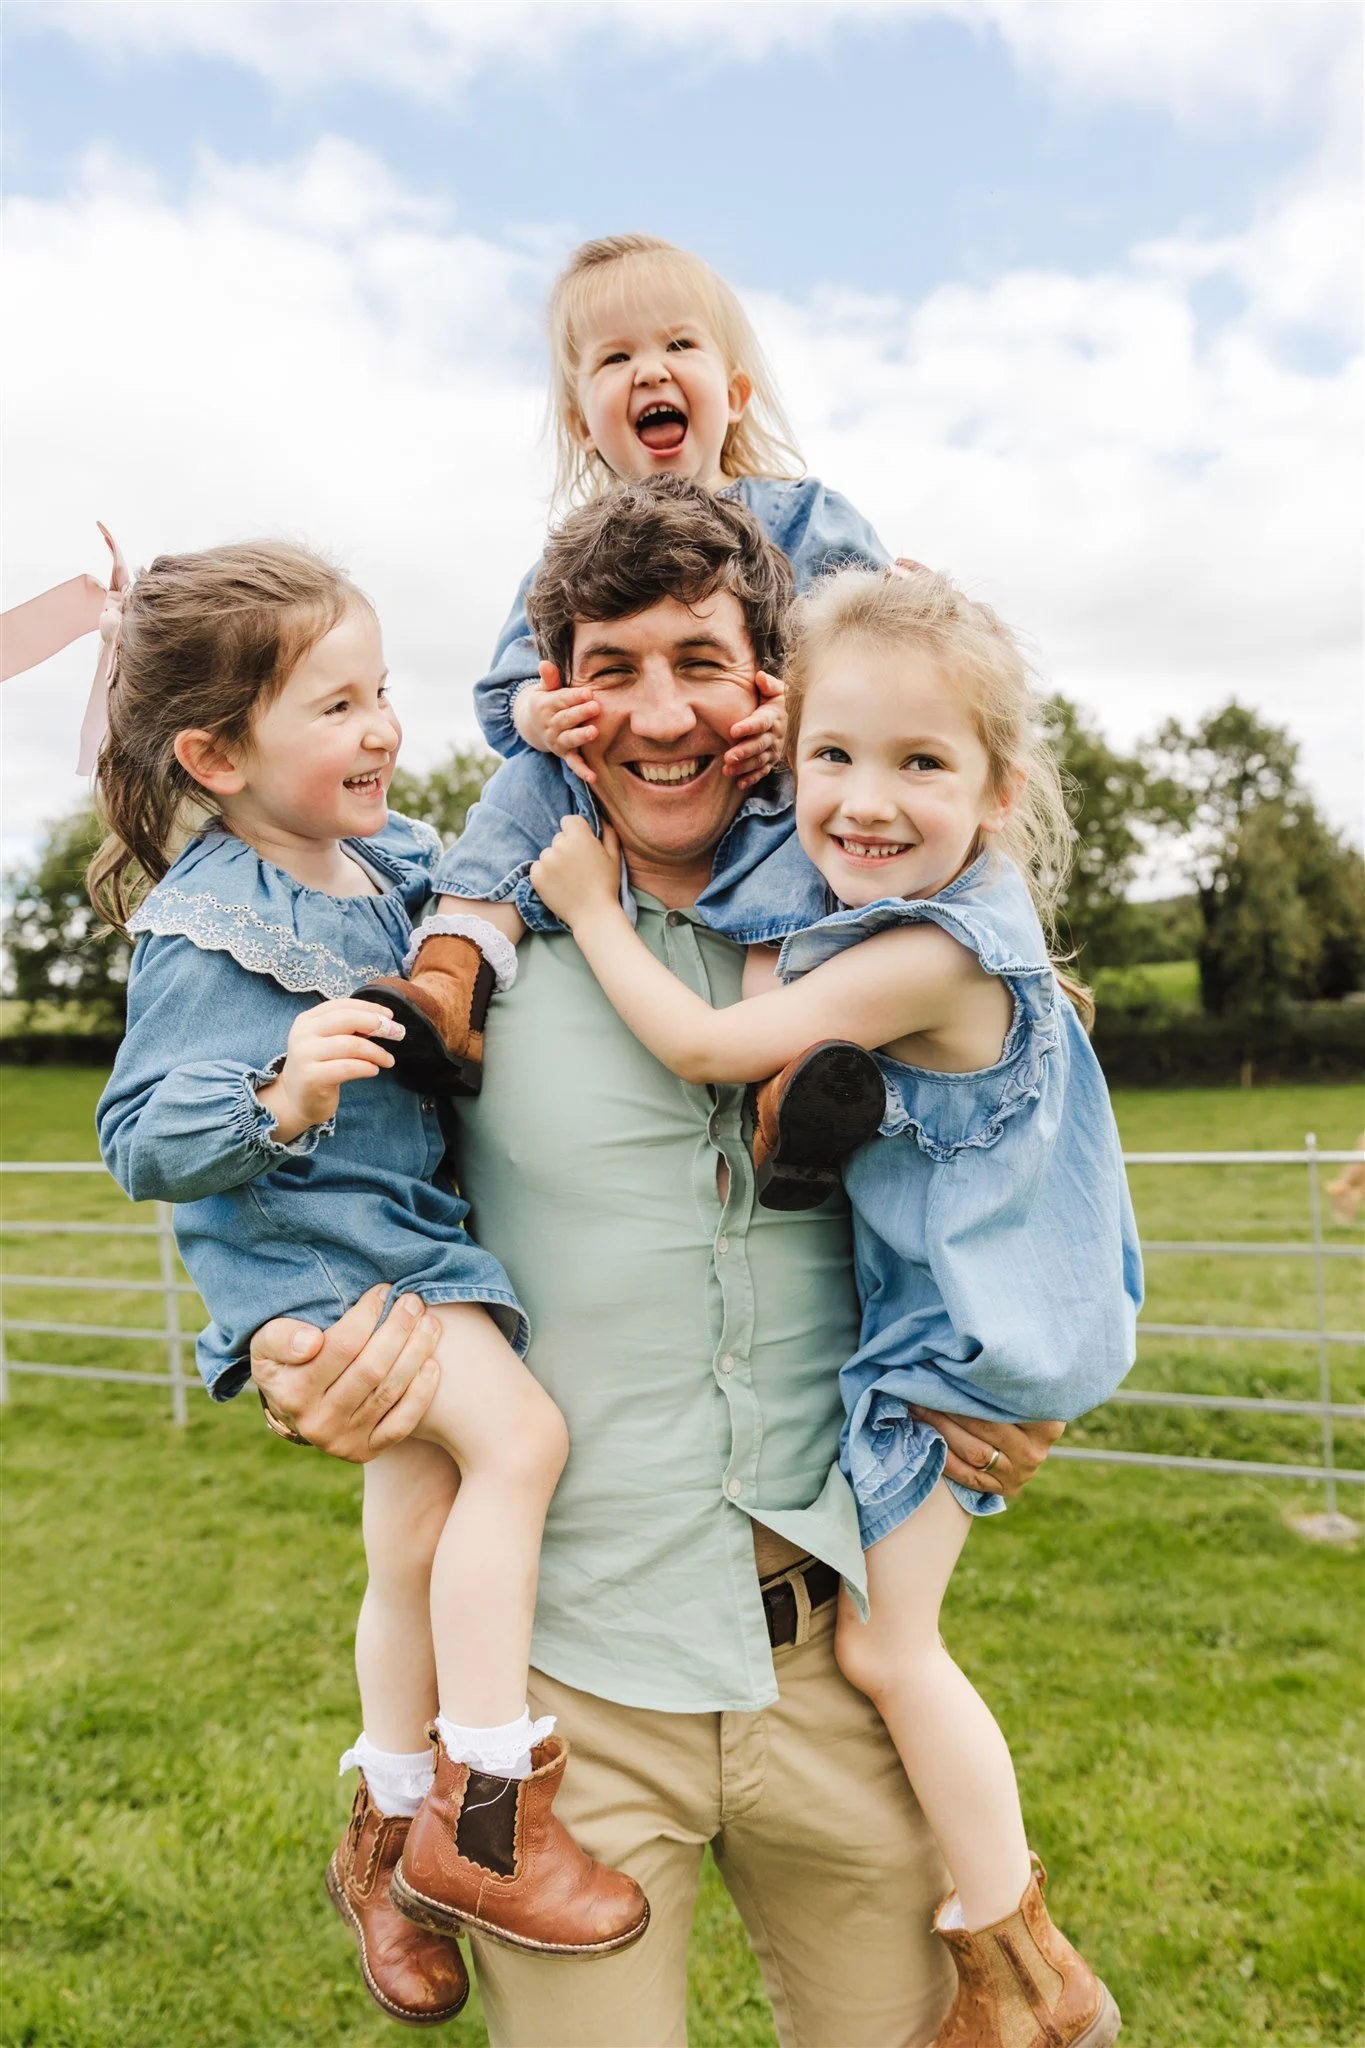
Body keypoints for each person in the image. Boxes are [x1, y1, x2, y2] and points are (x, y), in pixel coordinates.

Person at [252, 483, 1070, 2048]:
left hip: (836, 1667)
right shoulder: (456, 963)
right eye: (609, 667)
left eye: (700, 660)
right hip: (566, 1704)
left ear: (772, 682)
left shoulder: (878, 936)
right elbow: (320, 1204)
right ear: (549, 697)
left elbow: (1021, 1171)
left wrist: (1024, 1385)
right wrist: (312, 1359)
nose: (659, 715)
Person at [530, 563, 1141, 2048]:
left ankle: (1020, 1972)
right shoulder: (884, 917)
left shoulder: (924, 949)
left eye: (921, 763)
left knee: (891, 1649)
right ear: (787, 754)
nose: (867, 799)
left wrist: (590, 908)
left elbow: (703, 1045)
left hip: (937, 1383)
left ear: (997, 792)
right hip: (597, 1657)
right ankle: (1009, 1955)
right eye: (837, 759)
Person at [89, 540, 648, 2029]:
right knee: (520, 1442)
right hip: (326, 1263)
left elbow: (494, 865)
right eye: (336, 706)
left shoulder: (392, 866)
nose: (384, 728)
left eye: (382, 691)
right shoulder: (209, 921)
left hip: (403, 1241)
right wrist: (276, 1092)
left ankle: (388, 1832)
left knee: (410, 1533)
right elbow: (137, 1138)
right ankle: (489, 1821)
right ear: (215, 753)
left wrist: (542, 740)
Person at [362, 231, 890, 1097]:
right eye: (616, 357)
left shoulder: (806, 518)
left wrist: (798, 710)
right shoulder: (576, 555)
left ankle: (786, 1081)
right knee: (521, 792)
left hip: (772, 774)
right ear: (582, 420)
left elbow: (873, 652)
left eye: (679, 345)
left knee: (801, 859)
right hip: (614, 783)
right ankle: (449, 988)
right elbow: (506, 691)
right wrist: (541, 715)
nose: (650, 371)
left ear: (735, 393)